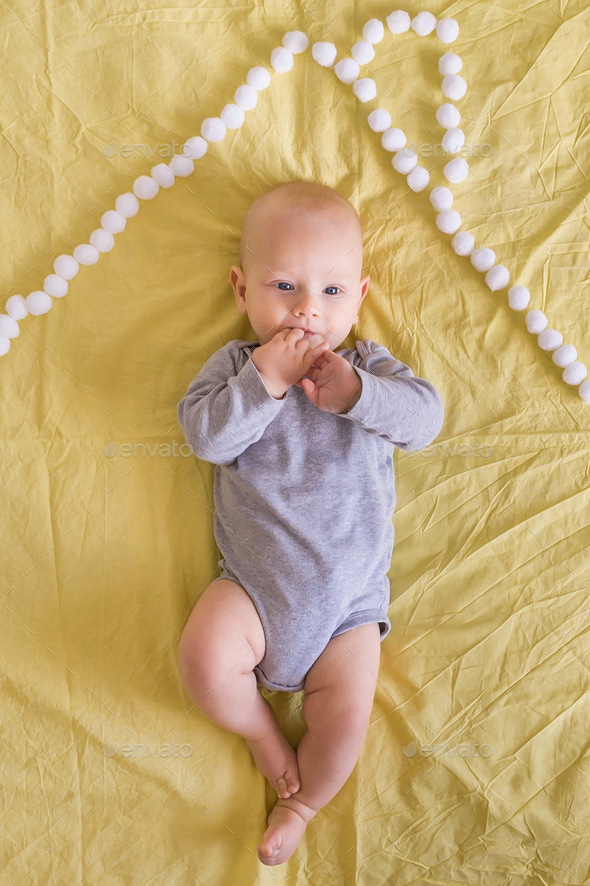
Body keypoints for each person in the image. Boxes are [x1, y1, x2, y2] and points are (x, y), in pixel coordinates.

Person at [176, 180, 445, 865]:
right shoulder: (237, 369)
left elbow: (425, 422)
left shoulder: (367, 370)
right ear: (241, 291)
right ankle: (261, 733)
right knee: (203, 658)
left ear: (359, 298)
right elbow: (206, 437)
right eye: (285, 287)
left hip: (349, 608)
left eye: (330, 293)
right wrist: (264, 379)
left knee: (347, 716)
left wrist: (357, 396)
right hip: (253, 594)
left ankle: (301, 803)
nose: (306, 311)